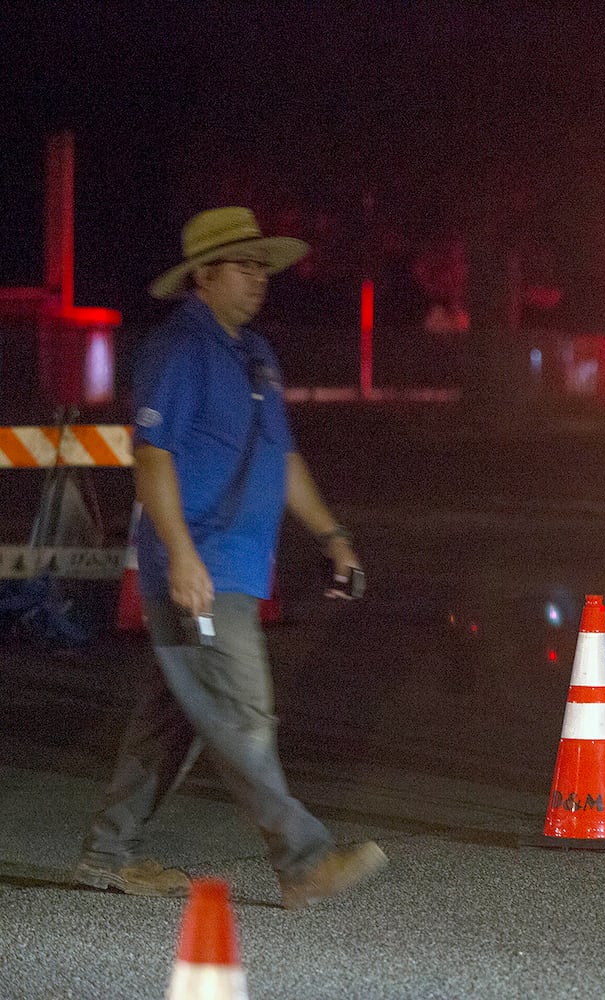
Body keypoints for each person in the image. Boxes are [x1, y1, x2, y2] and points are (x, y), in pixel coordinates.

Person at [74, 207, 386, 909]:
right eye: (243, 266)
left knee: (173, 718)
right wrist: (182, 557)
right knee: (243, 714)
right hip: (200, 572)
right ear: (203, 278)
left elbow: (285, 458)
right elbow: (151, 459)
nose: (258, 279)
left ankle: (106, 853)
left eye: (261, 266)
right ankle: (303, 862)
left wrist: (332, 536)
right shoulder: (178, 350)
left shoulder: (256, 356)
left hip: (239, 567)